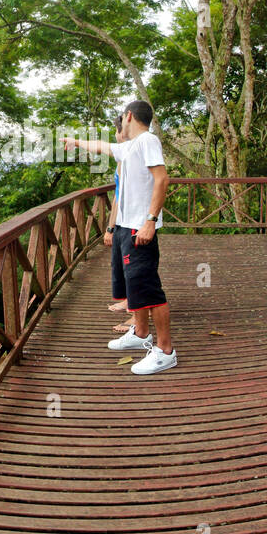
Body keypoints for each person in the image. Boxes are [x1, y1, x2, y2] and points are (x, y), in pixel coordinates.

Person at [63, 101, 176, 374]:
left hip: (140, 227)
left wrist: (150, 221)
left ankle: (165, 351)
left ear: (129, 116)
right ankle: (140, 334)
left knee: (148, 287)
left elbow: (162, 179)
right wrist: (75, 142)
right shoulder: (130, 147)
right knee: (134, 284)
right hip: (127, 226)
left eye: (122, 119)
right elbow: (102, 147)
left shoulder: (147, 140)